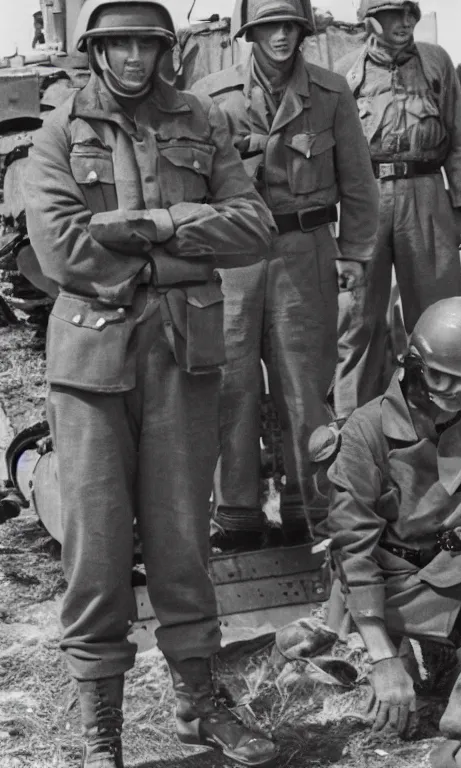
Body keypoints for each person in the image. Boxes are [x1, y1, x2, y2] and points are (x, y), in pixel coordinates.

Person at [23, 1, 278, 766]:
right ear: (98, 49)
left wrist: (159, 228)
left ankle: (198, 705)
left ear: (165, 50)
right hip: (92, 364)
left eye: (147, 44)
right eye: (120, 44)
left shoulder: (202, 120)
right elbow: (62, 250)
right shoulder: (60, 130)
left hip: (182, 356)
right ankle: (103, 727)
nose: (134, 57)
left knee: (180, 540)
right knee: (97, 548)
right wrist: (179, 249)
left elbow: (254, 226)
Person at [193, 0, 379, 550]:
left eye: (289, 26)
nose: (280, 36)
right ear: (250, 31)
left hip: (306, 254)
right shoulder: (210, 97)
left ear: (302, 29)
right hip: (234, 263)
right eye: (269, 25)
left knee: (306, 388)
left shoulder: (331, 91)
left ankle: (310, 506)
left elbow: (359, 183)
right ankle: (238, 514)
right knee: (232, 386)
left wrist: (353, 255)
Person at [319, 297, 461, 766]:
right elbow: (354, 551)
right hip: (393, 585)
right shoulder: (364, 433)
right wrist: (384, 657)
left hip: (459, 569)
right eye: (440, 376)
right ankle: (433, 660)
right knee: (401, 677)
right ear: (413, 364)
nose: (451, 391)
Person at [334, 0, 461, 410]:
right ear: (370, 19)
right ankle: (354, 433)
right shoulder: (346, 73)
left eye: (409, 13)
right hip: (367, 203)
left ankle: (445, 425)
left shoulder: (436, 64)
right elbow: (335, 153)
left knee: (440, 320)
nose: (404, 22)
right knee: (357, 322)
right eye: (391, 14)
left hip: (427, 198)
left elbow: (458, 135)